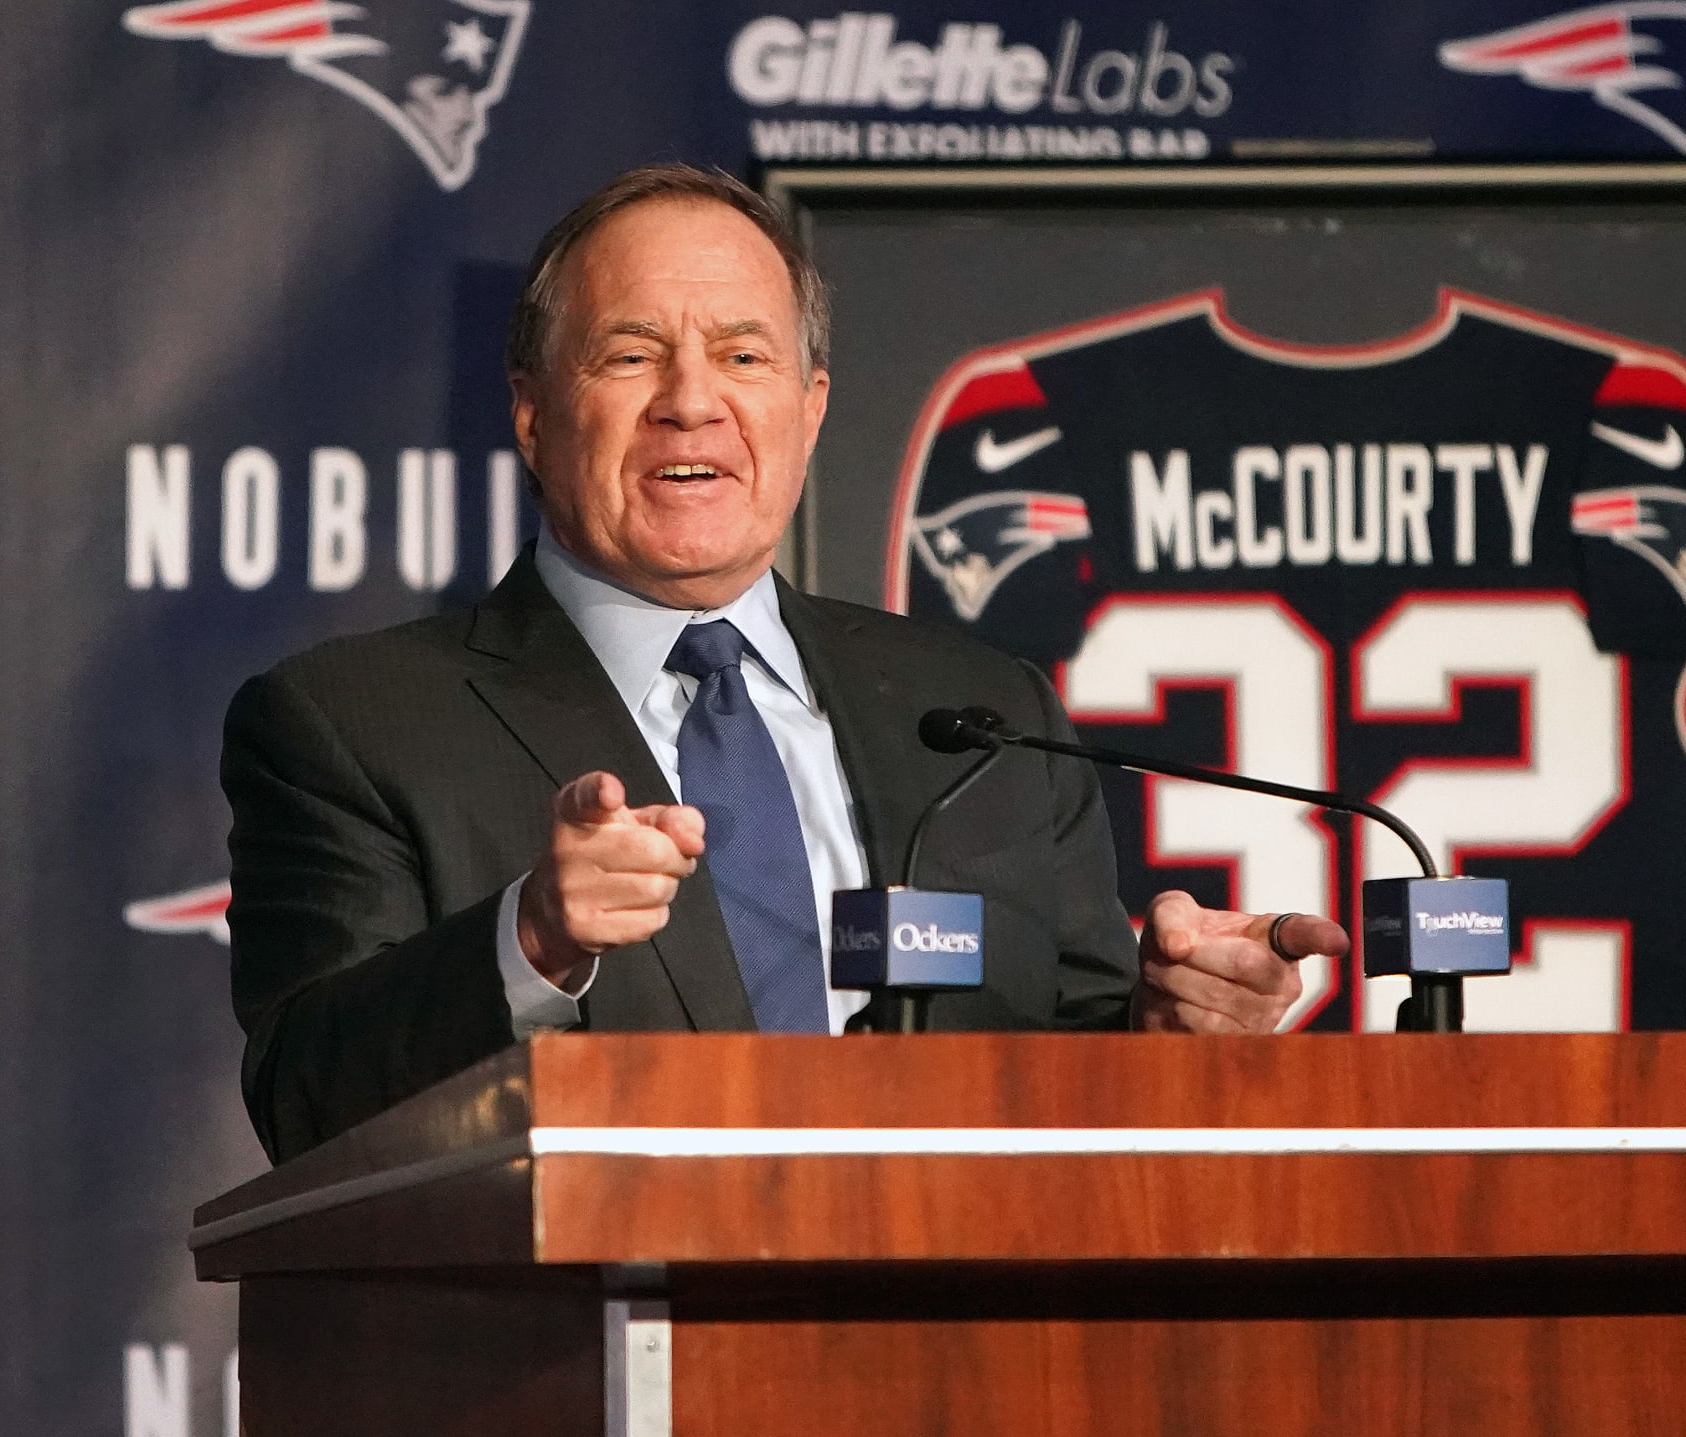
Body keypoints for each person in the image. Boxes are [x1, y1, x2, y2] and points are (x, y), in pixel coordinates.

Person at [222, 164, 1349, 1163]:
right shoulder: (354, 725)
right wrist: (530, 939)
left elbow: (1075, 1068)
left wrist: (1170, 1028)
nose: (692, 402)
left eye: (744, 355)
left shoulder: (980, 709)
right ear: (531, 415)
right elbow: (305, 1102)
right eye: (629, 355)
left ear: (809, 410)